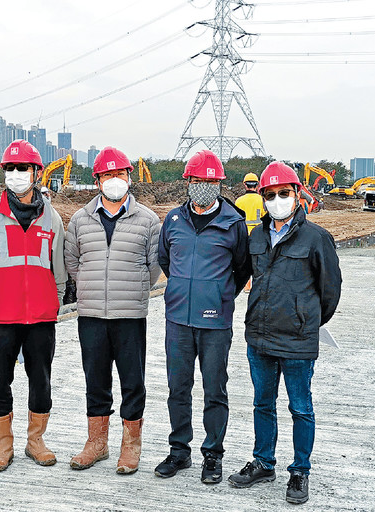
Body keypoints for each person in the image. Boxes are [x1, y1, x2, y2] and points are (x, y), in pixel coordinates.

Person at [227, 162, 342, 505]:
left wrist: (306, 321)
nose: (278, 200)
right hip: (260, 338)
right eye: (271, 194)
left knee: (300, 407)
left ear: (296, 196)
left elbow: (330, 291)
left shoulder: (316, 238)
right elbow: (241, 276)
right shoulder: (257, 237)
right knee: (263, 403)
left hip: (297, 341)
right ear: (262, 197)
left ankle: (300, 471)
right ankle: (263, 462)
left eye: (284, 194)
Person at [0, 140, 67, 472]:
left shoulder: (52, 218)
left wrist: (54, 303)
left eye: (22, 168)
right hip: (1, 317)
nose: (16, 174)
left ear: (36, 173)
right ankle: (3, 445)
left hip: (40, 318)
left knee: (41, 381)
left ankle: (35, 441)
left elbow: (59, 269)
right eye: (10, 168)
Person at [64, 146, 162, 475]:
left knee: (132, 380)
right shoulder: (80, 219)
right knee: (96, 379)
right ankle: (97, 443)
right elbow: (72, 262)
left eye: (119, 173)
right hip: (91, 314)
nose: (114, 180)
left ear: (129, 177)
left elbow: (153, 267)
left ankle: (130, 445)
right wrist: (94, 287)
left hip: (129, 315)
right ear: (97, 181)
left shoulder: (148, 220)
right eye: (107, 175)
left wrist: (129, 290)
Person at [155, 149, 251, 484]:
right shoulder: (173, 220)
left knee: (215, 389)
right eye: (197, 180)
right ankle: (179, 451)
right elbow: (166, 261)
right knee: (177, 388)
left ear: (219, 184)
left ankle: (213, 454)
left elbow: (241, 269)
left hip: (215, 322)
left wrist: (221, 295)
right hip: (178, 319)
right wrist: (183, 289)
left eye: (210, 181)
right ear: (188, 182)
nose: (203, 186)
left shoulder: (234, 223)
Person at [234, 172, 265, 292]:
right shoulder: (261, 200)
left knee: (245, 261)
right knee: (258, 260)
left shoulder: (239, 201)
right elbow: (265, 217)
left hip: (243, 235)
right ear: (257, 185)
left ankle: (247, 286)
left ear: (245, 185)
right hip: (258, 235)